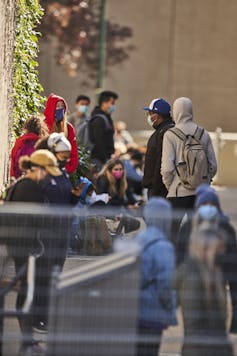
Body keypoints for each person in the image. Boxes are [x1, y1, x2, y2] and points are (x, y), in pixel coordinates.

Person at [6, 150, 62, 347]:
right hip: (26, 249)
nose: (47, 176)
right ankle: (27, 341)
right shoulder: (30, 188)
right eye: (46, 171)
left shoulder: (21, 184)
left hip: (21, 247)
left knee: (27, 293)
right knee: (27, 294)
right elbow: (37, 219)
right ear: (37, 168)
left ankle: (27, 339)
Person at [177, 184, 237, 334]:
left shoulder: (225, 229)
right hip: (191, 287)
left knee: (216, 328)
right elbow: (179, 260)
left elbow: (233, 266)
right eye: (204, 204)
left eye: (211, 205)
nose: (208, 208)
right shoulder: (188, 227)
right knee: (192, 329)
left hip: (217, 285)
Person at [175, 227, 233, 356]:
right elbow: (194, 327)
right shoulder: (193, 276)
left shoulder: (213, 274)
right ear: (206, 250)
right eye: (219, 249)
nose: (222, 252)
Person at [135, 198, 177, 356]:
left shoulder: (139, 239)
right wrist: (169, 307)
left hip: (135, 310)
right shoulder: (164, 246)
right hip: (153, 313)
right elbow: (166, 283)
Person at [161, 97, 217, 210]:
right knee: (197, 226)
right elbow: (213, 166)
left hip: (178, 192)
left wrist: (170, 186)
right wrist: (205, 181)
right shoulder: (203, 133)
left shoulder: (170, 134)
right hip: (201, 193)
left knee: (173, 227)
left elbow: (167, 168)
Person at [142, 98, 174, 199]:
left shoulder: (164, 133)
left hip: (160, 191)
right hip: (162, 188)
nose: (149, 117)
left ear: (158, 115)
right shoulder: (164, 131)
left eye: (151, 113)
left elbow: (161, 162)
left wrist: (155, 189)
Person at [44, 93, 78, 174]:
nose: (60, 109)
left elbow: (73, 153)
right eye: (57, 106)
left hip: (63, 171)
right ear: (50, 108)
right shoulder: (43, 126)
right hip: (46, 171)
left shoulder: (68, 128)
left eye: (62, 106)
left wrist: (66, 170)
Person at [89, 90, 118, 169]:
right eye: (112, 103)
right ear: (104, 103)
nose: (113, 106)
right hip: (98, 161)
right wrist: (105, 160)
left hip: (102, 160)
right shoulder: (99, 119)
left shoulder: (106, 117)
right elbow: (99, 142)